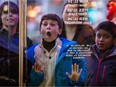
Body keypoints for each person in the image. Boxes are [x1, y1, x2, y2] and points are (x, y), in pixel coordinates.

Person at [26, 13, 87, 86]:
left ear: (60, 31)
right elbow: (28, 82)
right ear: (40, 30)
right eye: (45, 24)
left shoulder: (71, 47)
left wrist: (77, 79)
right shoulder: (31, 52)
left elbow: (83, 68)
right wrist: (36, 76)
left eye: (52, 24)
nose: (48, 27)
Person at [0, 1, 32, 86]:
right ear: (0, 17)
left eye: (14, 12)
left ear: (19, 17)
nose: (10, 14)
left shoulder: (26, 41)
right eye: (6, 12)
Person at [85, 21, 116, 86]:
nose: (101, 40)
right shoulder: (87, 53)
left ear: (114, 40)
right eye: (98, 36)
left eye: (106, 37)